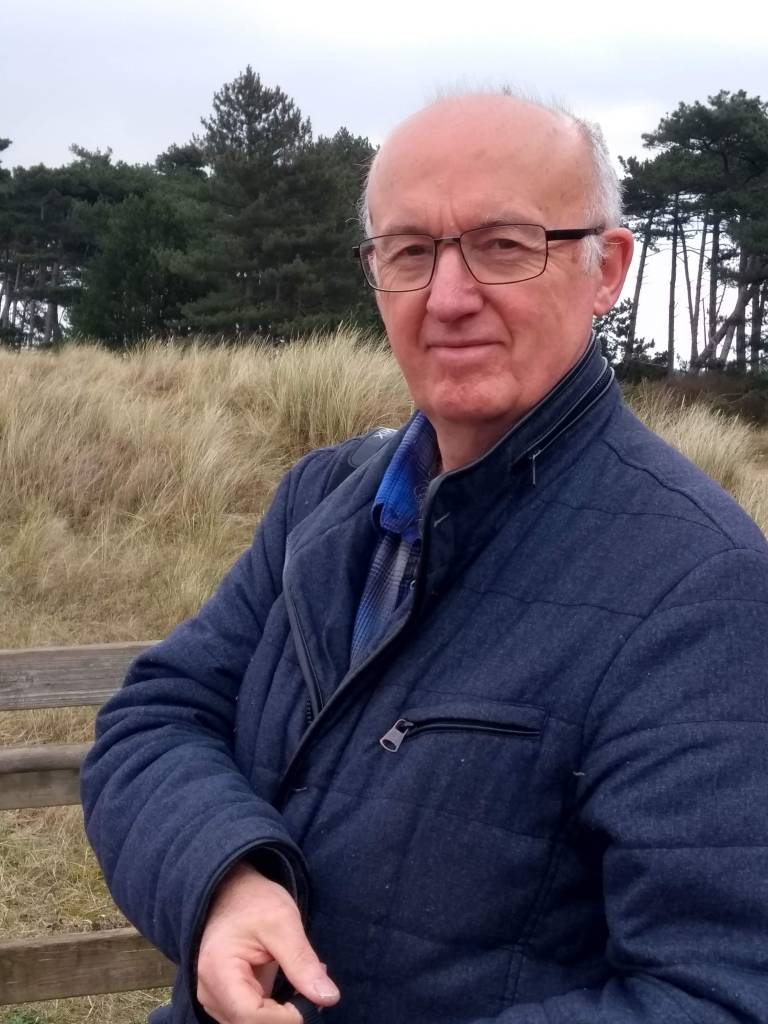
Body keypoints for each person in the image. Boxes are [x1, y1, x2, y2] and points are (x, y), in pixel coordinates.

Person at [81, 92, 768, 1024]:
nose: (448, 299)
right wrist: (228, 877)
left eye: (503, 245)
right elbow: (155, 719)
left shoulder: (702, 587)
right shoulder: (321, 504)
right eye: (410, 252)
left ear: (605, 269)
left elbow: (718, 993)